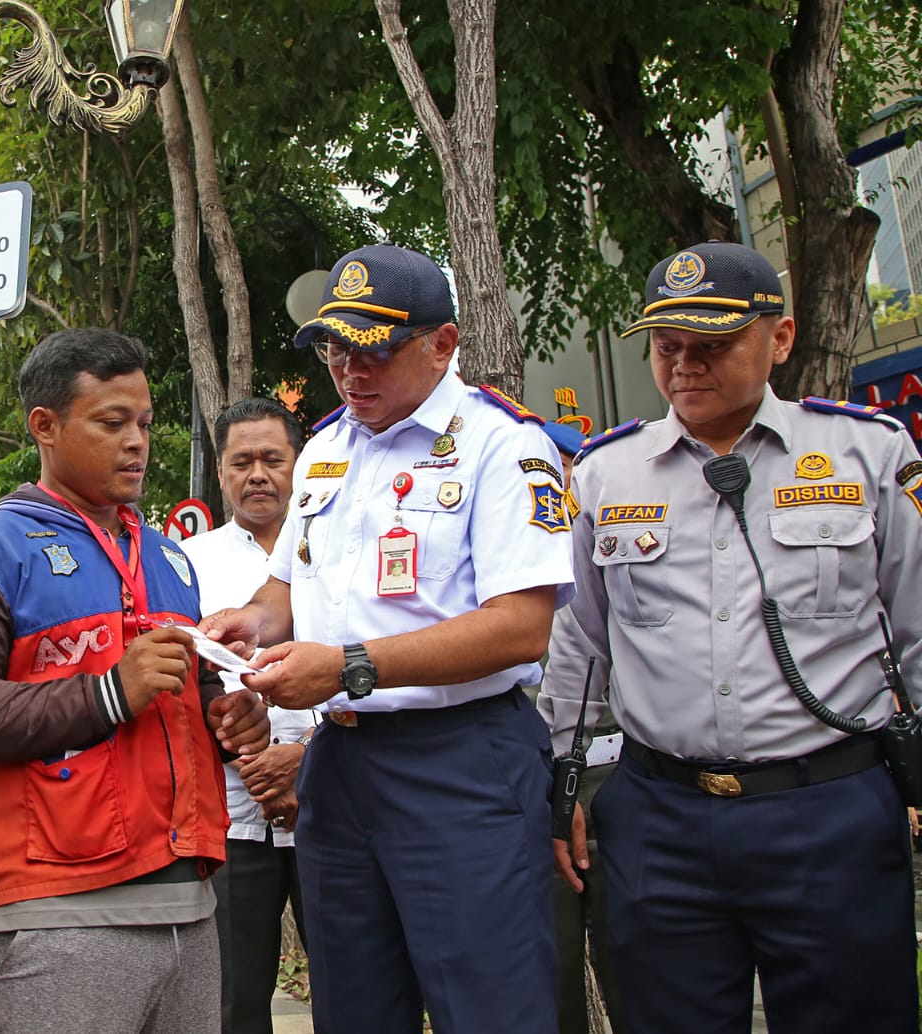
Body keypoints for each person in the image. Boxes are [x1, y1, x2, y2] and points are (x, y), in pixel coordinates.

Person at [538, 240, 922, 1034]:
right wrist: (562, 785)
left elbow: (918, 629)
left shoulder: (868, 454)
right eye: (667, 347)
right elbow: (578, 647)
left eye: (711, 346)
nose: (684, 367)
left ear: (778, 339)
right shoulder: (605, 475)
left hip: (830, 811)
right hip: (660, 819)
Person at [202, 243, 576, 1034]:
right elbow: (293, 586)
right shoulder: (330, 450)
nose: (352, 372)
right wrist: (254, 620)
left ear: (443, 345)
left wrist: (348, 668)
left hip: (459, 764)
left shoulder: (503, 446)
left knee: (490, 1005)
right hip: (341, 773)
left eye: (376, 351)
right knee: (355, 1007)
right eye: (337, 350)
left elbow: (522, 627)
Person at [0, 328, 269, 1034]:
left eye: (144, 423)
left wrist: (229, 722)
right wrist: (108, 691)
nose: (136, 441)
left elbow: (183, 699)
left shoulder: (172, 558)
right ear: (45, 425)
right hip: (52, 905)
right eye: (111, 423)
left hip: (190, 904)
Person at [180, 397, 318, 1034]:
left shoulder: (341, 550)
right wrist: (251, 758)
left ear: (300, 462)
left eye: (273, 459)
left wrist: (307, 759)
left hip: (335, 803)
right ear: (221, 471)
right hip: (235, 814)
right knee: (232, 999)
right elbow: (181, 680)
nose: (258, 474)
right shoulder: (188, 562)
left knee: (358, 985)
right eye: (242, 462)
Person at [537, 421, 627, 1034]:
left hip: (625, 780)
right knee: (550, 975)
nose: (561, 491)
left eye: (568, 473)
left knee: (642, 971)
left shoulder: (618, 547)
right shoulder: (492, 564)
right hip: (535, 785)